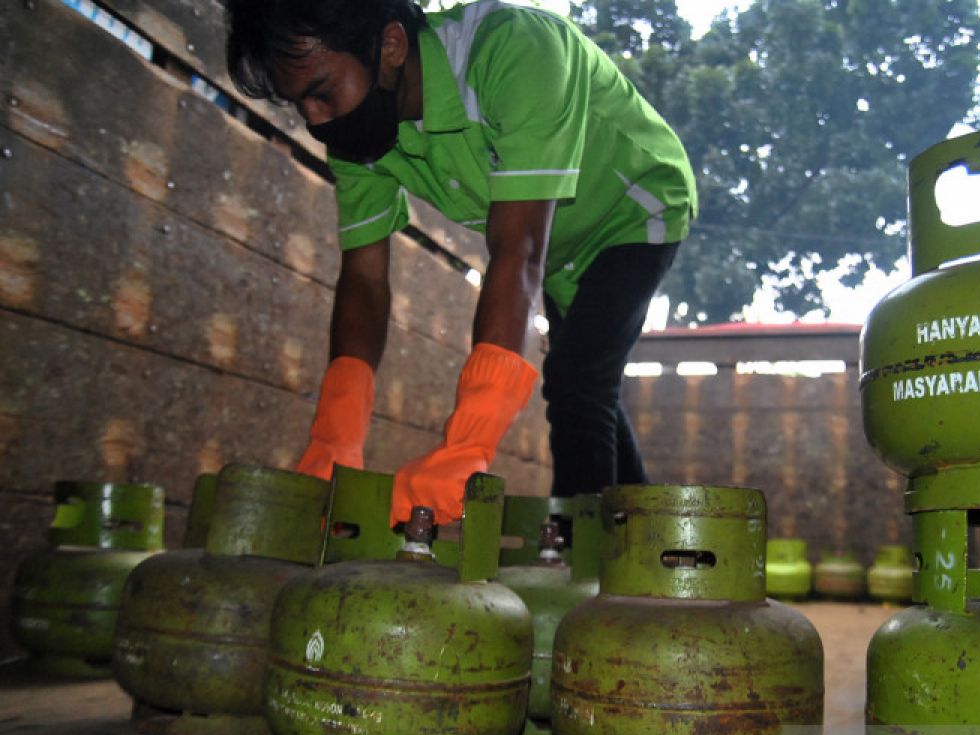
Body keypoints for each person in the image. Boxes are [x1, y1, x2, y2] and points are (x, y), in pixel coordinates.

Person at [226, 0, 696, 525]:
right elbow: (363, 278)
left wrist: (465, 448)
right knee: (586, 384)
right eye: (299, 106)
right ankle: (646, 541)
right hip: (558, 251)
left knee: (576, 380)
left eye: (321, 92)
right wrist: (334, 439)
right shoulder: (360, 138)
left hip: (633, 209)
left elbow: (517, 254)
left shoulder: (514, 51)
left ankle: (575, 560)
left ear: (391, 46)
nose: (315, 121)